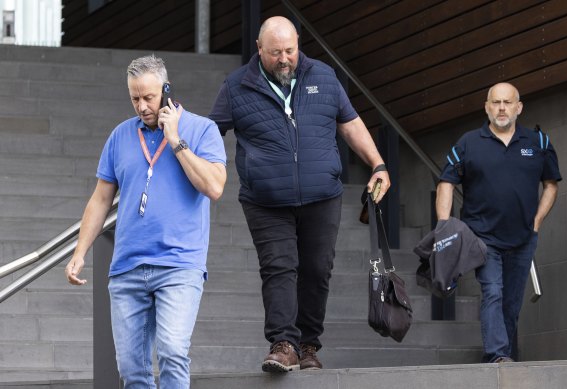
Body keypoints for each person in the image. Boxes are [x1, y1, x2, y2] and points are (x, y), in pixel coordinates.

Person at [209, 16, 390, 373]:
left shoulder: (323, 76)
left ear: (298, 46)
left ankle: (308, 345)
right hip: (265, 201)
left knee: (317, 270)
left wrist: (378, 164)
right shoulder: (236, 86)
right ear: (260, 49)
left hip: (322, 196)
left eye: (290, 50)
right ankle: (284, 343)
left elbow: (350, 123)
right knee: (279, 268)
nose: (284, 59)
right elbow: (211, 132)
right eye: (275, 52)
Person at [65, 55, 227, 387]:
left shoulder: (201, 129)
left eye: (149, 97)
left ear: (166, 91)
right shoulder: (120, 136)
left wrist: (175, 139)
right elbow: (100, 199)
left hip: (179, 265)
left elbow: (214, 187)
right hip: (127, 269)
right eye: (134, 98)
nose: (141, 106)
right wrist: (80, 251)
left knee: (172, 351)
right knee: (131, 370)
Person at [436, 82, 561, 363]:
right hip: (482, 236)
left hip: (523, 238)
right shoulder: (468, 143)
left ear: (519, 108)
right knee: (492, 290)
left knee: (511, 303)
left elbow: (551, 185)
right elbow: (446, 184)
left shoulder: (537, 143)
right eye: (495, 102)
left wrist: (537, 223)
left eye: (507, 102)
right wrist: (444, 228)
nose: (501, 108)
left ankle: (502, 356)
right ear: (486, 107)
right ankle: (498, 355)